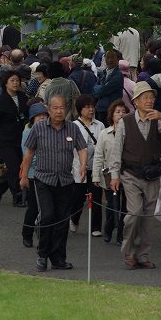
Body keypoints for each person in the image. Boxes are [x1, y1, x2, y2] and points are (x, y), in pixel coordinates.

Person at [109, 81, 161, 270]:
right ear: (135, 101)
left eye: (151, 98)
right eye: (145, 98)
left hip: (152, 173)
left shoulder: (157, 119)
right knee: (134, 212)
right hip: (131, 173)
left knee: (148, 216)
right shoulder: (125, 121)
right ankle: (130, 252)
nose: (149, 101)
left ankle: (143, 254)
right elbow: (117, 149)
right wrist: (114, 175)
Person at [19, 92, 77, 272]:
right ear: (49, 110)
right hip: (43, 179)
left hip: (65, 180)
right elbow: (28, 153)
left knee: (62, 220)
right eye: (55, 108)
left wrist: (82, 165)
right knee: (47, 216)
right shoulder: (37, 128)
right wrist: (24, 175)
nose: (59, 112)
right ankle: (42, 255)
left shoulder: (72, 128)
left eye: (62, 108)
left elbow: (82, 148)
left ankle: (58, 257)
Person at [0, 70, 30, 207]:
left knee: (18, 166)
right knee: (14, 167)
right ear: (5, 83)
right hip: (4, 139)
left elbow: (27, 115)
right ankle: (17, 197)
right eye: (12, 80)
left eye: (17, 80)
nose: (15, 83)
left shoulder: (23, 97)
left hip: (20, 138)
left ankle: (0, 186)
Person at [94, 101, 129, 245]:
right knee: (111, 204)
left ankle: (121, 234)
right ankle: (108, 229)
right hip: (109, 174)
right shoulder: (104, 133)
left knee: (126, 207)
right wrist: (95, 175)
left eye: (123, 112)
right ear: (111, 115)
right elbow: (98, 156)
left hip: (127, 174)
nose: (121, 114)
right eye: (117, 112)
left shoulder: (130, 132)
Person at [69, 94, 104, 236]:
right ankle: (74, 218)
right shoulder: (73, 125)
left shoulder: (99, 125)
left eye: (92, 106)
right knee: (78, 197)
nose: (91, 109)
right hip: (78, 167)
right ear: (80, 109)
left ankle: (96, 227)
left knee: (96, 196)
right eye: (87, 107)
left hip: (96, 166)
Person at [19, 102, 49, 248]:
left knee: (47, 207)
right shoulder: (27, 132)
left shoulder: (50, 130)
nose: (42, 119)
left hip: (48, 173)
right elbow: (27, 155)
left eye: (44, 116)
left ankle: (44, 234)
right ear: (32, 119)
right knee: (34, 207)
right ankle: (27, 234)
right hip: (32, 173)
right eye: (39, 117)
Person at [93, 49, 124, 125]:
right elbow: (94, 88)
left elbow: (102, 90)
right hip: (100, 109)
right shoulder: (104, 72)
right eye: (107, 57)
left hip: (111, 110)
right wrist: (100, 89)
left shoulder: (118, 75)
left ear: (117, 60)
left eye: (112, 57)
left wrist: (100, 89)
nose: (109, 60)